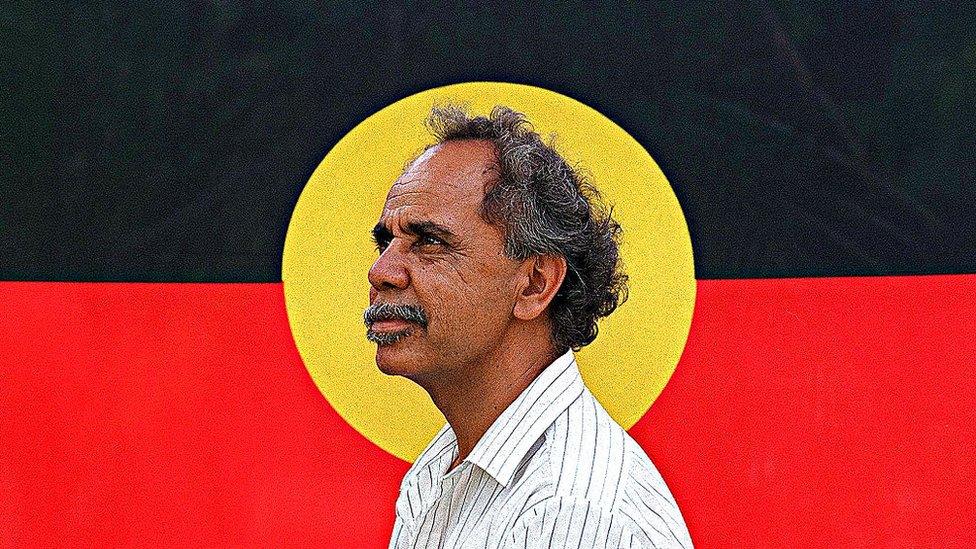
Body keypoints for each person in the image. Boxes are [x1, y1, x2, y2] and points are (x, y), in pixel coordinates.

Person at [364, 105, 692, 548]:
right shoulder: (448, 465)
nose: (381, 271)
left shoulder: (569, 509)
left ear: (535, 284)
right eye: (387, 241)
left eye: (430, 242)